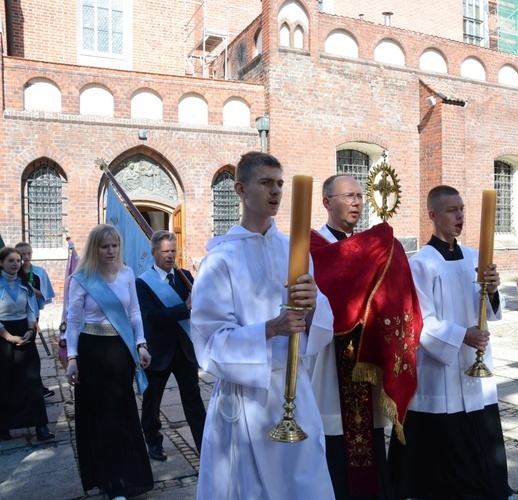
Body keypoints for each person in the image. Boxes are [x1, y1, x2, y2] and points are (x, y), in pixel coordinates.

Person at [190, 151, 335, 499]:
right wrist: (269, 328)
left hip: (296, 391)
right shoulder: (220, 259)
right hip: (248, 400)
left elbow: (319, 326)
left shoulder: (294, 249)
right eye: (266, 183)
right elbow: (209, 342)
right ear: (241, 189)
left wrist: (315, 303)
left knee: (305, 484)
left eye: (280, 184)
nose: (276, 191)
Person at [388, 185, 514, 500]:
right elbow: (421, 322)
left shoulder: (474, 256)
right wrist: (462, 336)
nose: (459, 216)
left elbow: (487, 310)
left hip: (476, 363)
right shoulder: (421, 263)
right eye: (451, 210)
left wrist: (493, 290)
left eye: (461, 209)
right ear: (432, 215)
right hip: (440, 370)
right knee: (445, 444)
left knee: (479, 431)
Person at [309, 174, 393, 499]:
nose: (357, 202)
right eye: (348, 196)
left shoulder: (372, 250)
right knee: (334, 446)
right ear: (327, 202)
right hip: (329, 363)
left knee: (370, 440)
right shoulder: (312, 247)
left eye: (360, 195)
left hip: (365, 362)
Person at [65, 224, 154, 500]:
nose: (111, 251)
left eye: (115, 245)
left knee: (123, 414)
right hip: (92, 353)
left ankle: (129, 476)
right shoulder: (82, 278)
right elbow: (73, 320)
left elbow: (135, 312)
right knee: (100, 417)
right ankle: (110, 480)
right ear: (95, 248)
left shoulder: (127, 274)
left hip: (120, 352)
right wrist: (72, 358)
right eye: (105, 246)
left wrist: (141, 344)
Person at [136, 230, 206, 461]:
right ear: (154, 252)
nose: (170, 255)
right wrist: (184, 308)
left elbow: (200, 306)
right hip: (158, 351)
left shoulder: (185, 276)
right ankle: (154, 443)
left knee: (194, 401)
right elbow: (152, 316)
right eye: (165, 251)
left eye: (173, 251)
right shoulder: (143, 283)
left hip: (185, 350)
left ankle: (205, 446)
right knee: (152, 401)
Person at [0, 246, 55, 442]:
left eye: (18, 260)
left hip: (25, 331)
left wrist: (31, 329)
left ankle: (41, 427)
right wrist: (8, 337)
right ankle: (4, 426)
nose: (16, 263)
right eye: (11, 261)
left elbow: (31, 308)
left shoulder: (25, 283)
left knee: (32, 379)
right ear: (1, 263)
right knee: (5, 380)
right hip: (3, 336)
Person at [16, 242, 56, 398]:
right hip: (15, 315)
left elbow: (45, 296)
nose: (25, 257)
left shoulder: (39, 272)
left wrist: (30, 288)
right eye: (21, 254)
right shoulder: (12, 271)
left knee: (29, 350)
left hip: (32, 314)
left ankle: (36, 387)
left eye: (28, 254)